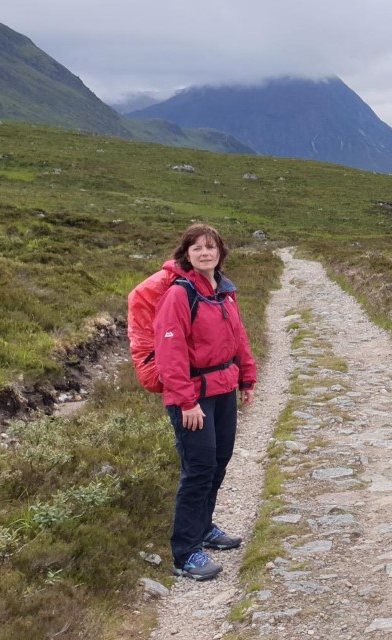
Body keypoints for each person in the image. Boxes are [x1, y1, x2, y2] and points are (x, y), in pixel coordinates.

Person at [154, 224, 257, 580]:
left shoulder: (224, 291)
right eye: (197, 248)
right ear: (186, 253)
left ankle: (204, 528)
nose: (204, 253)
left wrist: (247, 377)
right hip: (193, 397)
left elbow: (238, 336)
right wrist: (186, 402)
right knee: (197, 470)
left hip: (223, 388)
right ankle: (185, 552)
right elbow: (169, 353)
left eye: (210, 247)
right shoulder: (179, 294)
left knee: (217, 462)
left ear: (220, 253)